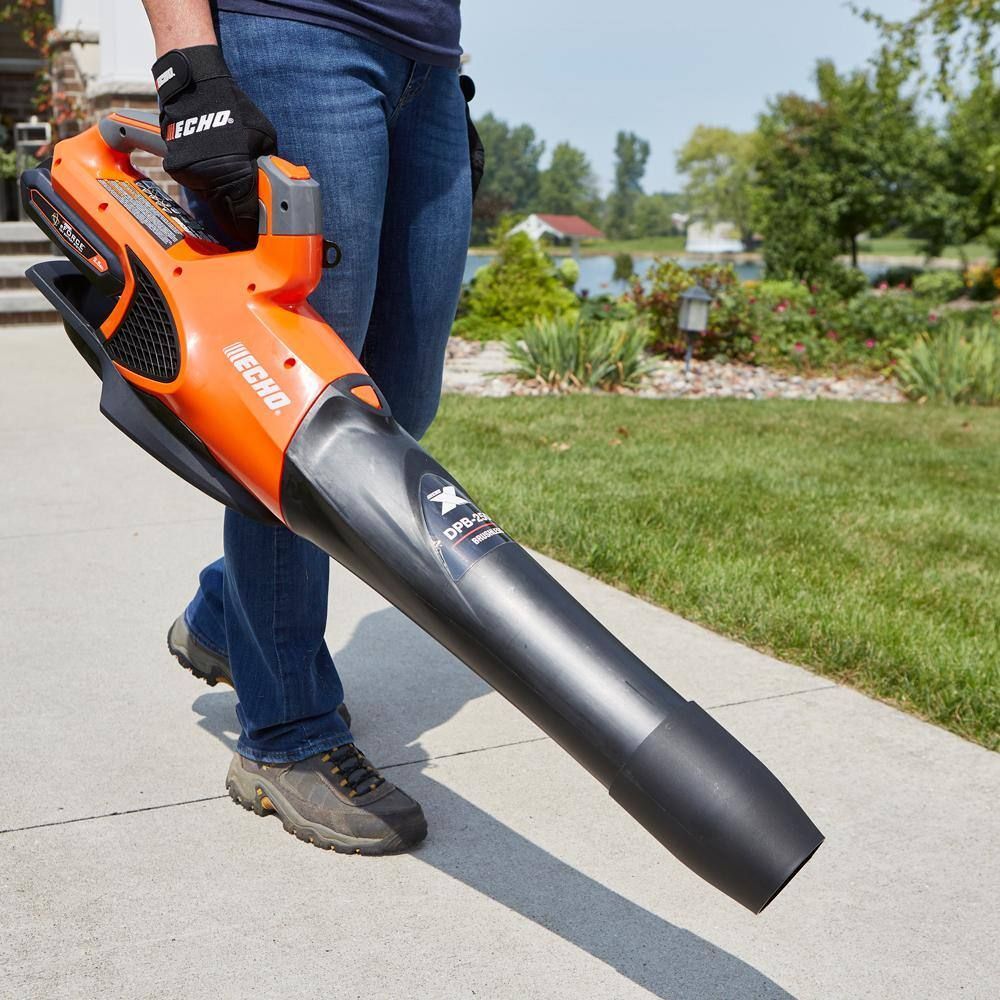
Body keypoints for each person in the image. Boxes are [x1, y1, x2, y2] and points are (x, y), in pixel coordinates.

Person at [140, 0, 476, 855]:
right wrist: (189, 67)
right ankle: (287, 735)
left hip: (426, 63)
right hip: (292, 34)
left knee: (395, 408)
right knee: (297, 421)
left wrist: (438, 68)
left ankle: (227, 613)